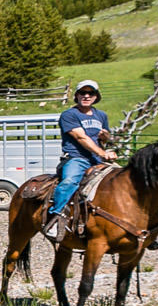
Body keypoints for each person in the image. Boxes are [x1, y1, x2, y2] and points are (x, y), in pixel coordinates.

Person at [43, 79, 116, 243]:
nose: (86, 96)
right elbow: (81, 137)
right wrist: (102, 153)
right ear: (76, 95)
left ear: (96, 96)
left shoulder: (101, 115)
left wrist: (106, 138)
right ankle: (55, 218)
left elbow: (104, 139)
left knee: (126, 179)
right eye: (83, 92)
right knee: (69, 182)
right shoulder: (69, 115)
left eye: (91, 93)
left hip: (97, 159)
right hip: (77, 158)